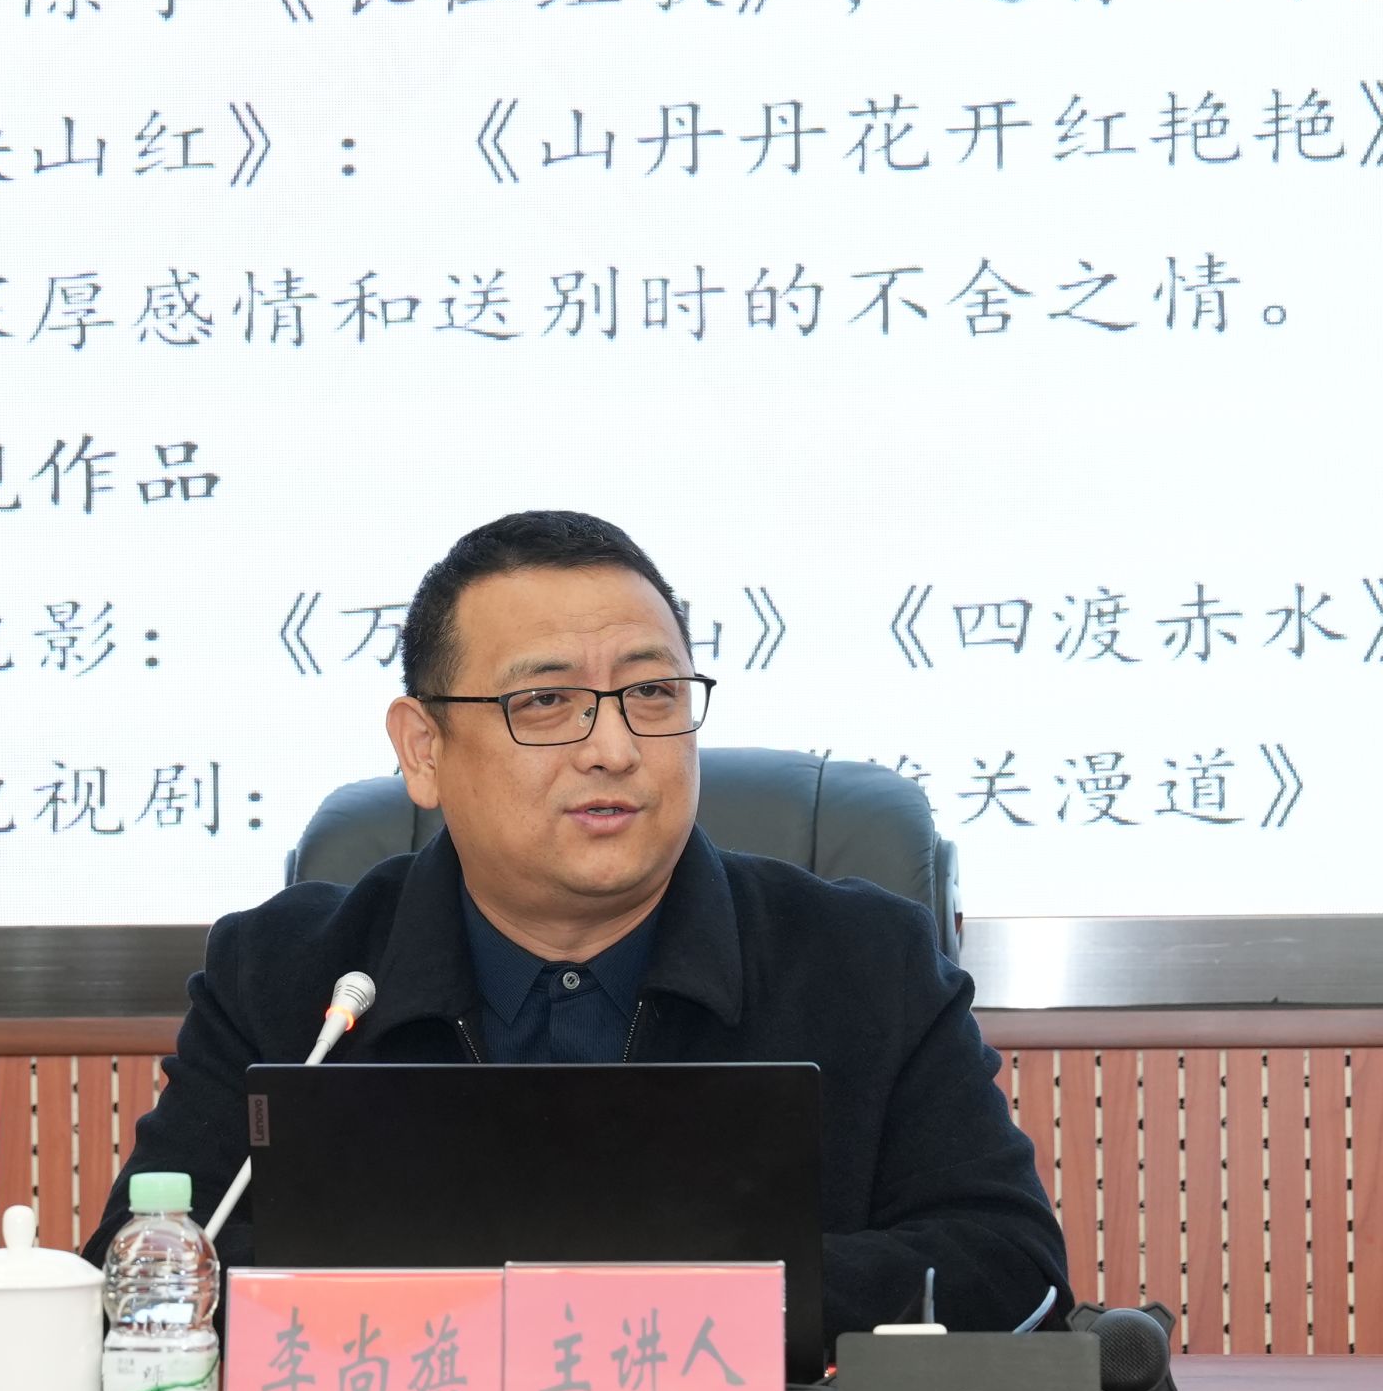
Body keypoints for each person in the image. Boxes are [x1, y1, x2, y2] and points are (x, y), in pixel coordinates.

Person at [97, 508, 1070, 1332]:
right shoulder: (287, 975)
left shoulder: (864, 964)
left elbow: (1008, 1265)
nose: (612, 747)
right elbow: (145, 1279)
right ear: (424, 749)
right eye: (546, 701)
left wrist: (642, 1306)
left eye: (652, 693)